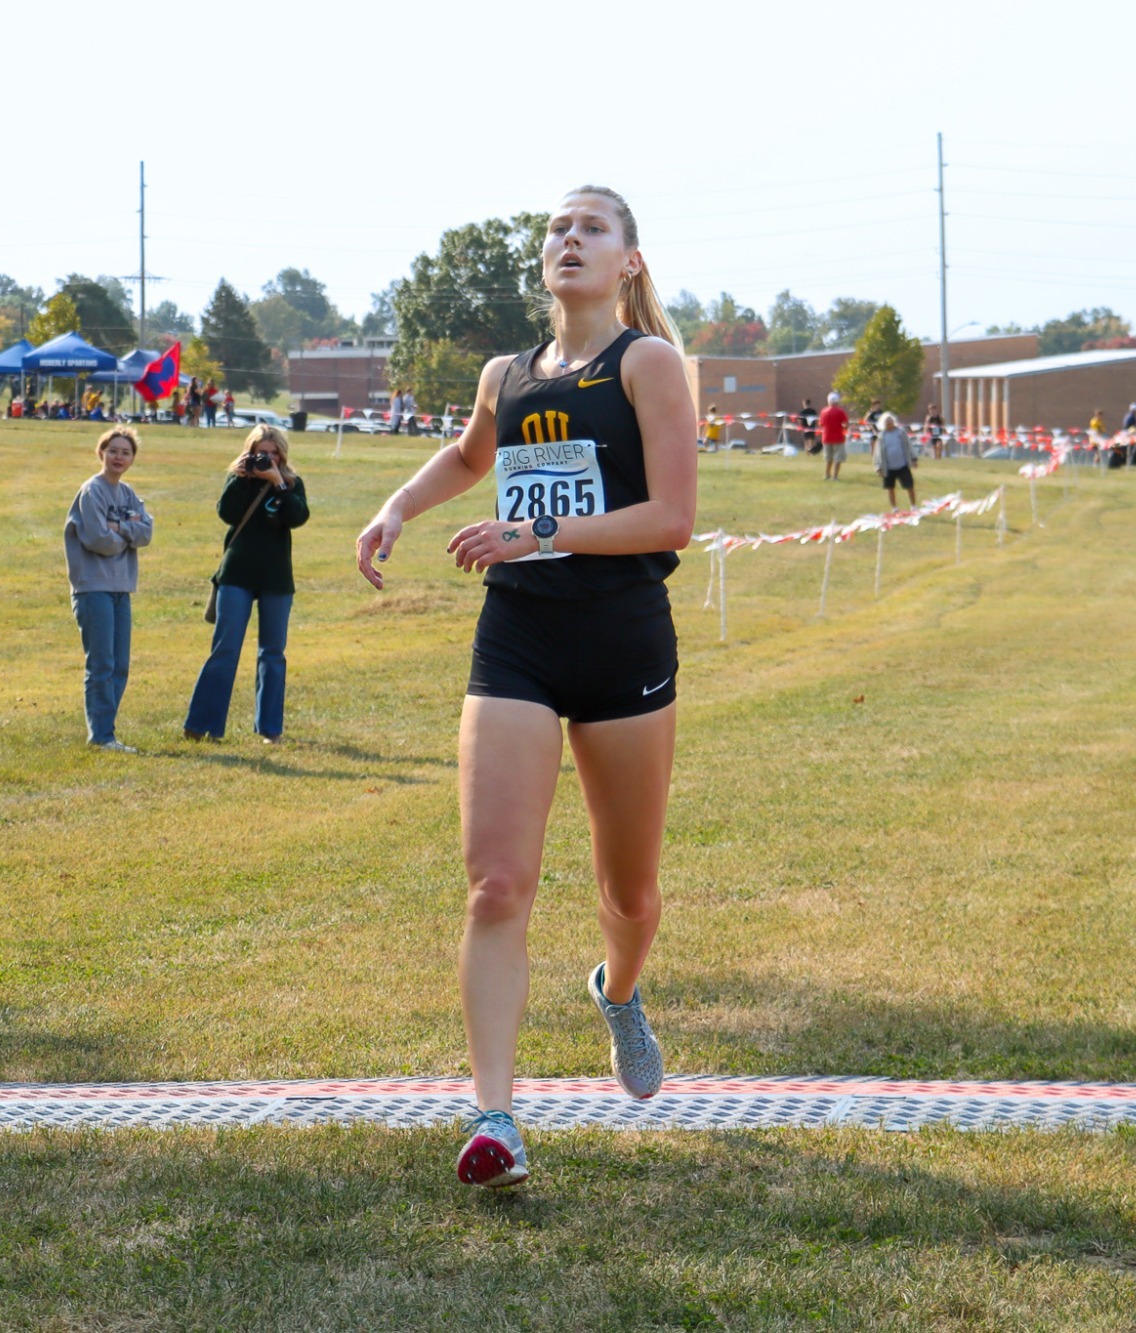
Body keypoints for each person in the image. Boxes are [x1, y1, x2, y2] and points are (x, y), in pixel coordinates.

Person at [354, 185, 695, 1190]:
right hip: (517, 636)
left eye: (593, 229)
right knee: (496, 883)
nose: (570, 240)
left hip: (622, 636)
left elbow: (671, 516)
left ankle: (618, 991)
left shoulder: (648, 363)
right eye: (558, 228)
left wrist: (538, 531)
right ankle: (494, 1117)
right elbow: (470, 456)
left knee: (628, 892)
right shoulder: (506, 374)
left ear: (628, 261)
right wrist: (396, 508)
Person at [184, 426, 310, 743]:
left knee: (272, 653)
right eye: (259, 452)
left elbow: (297, 518)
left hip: (276, 578)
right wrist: (242, 478)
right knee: (225, 648)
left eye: (272, 453)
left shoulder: (292, 484)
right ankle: (202, 726)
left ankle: (270, 730)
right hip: (237, 573)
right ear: (248, 452)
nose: (266, 458)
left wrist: (278, 483)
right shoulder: (239, 479)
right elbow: (226, 513)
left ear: (281, 454)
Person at [64, 427, 154, 750]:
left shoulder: (128, 494)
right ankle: (101, 736)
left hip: (121, 587)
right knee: (101, 663)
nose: (119, 457)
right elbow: (99, 540)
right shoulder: (92, 491)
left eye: (126, 452)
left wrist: (120, 528)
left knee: (120, 664)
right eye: (113, 450)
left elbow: (147, 532)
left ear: (132, 459)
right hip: (93, 587)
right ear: (101, 453)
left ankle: (106, 731)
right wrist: (126, 533)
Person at [873, 411, 915, 510]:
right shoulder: (881, 436)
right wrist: (878, 467)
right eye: (886, 422)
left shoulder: (901, 432)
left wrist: (913, 458)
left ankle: (913, 506)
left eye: (890, 421)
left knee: (909, 486)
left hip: (902, 465)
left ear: (894, 422)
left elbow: (909, 446)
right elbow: (877, 453)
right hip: (888, 468)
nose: (888, 423)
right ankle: (894, 508)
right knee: (890, 488)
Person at [819, 391, 849, 480]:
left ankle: (827, 474)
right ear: (837, 401)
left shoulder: (823, 411)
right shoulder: (840, 412)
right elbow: (846, 424)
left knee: (828, 458)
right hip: (838, 438)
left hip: (826, 437)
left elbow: (821, 424)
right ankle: (835, 476)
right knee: (837, 458)